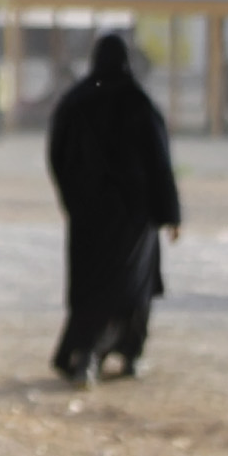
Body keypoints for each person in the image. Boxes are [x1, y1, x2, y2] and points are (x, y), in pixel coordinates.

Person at [45, 32, 182, 383]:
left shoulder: (75, 101)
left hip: (88, 217)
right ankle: (127, 354)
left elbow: (57, 155)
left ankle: (84, 356)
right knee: (134, 286)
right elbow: (159, 161)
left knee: (91, 289)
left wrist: (72, 199)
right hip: (133, 221)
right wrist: (169, 215)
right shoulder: (137, 102)